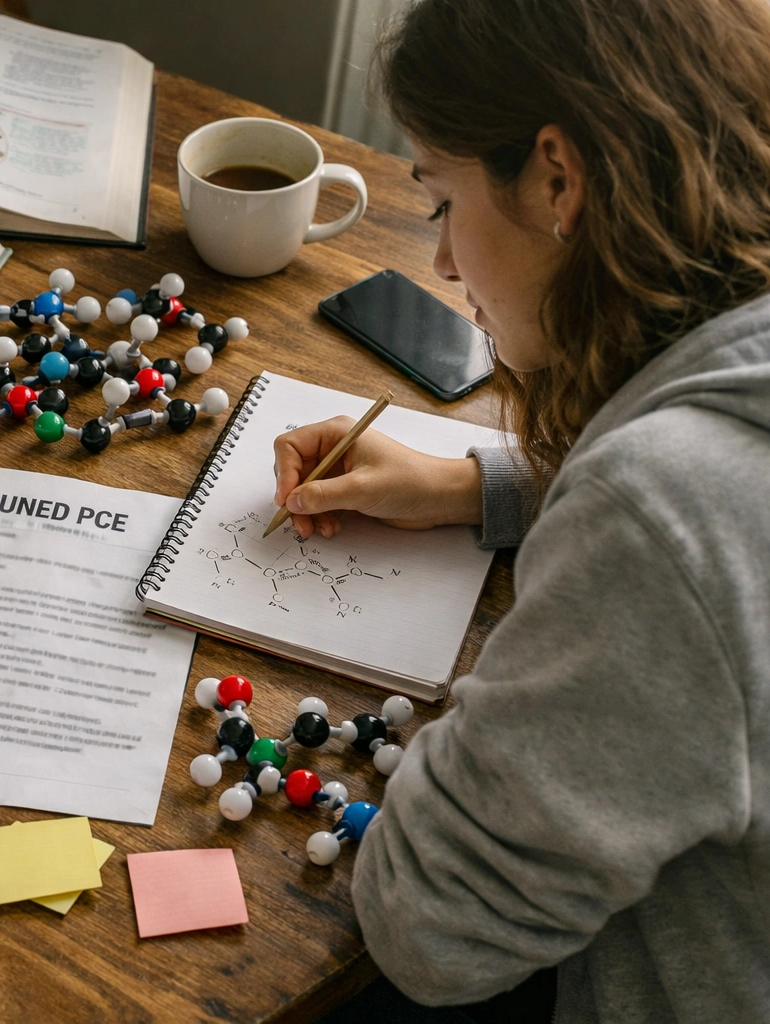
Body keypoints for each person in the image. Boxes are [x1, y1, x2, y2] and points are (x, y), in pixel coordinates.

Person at [285, 1, 770, 1022]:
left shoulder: (660, 514)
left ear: (559, 178)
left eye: (440, 204)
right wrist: (480, 483)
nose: (447, 265)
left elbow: (431, 926)